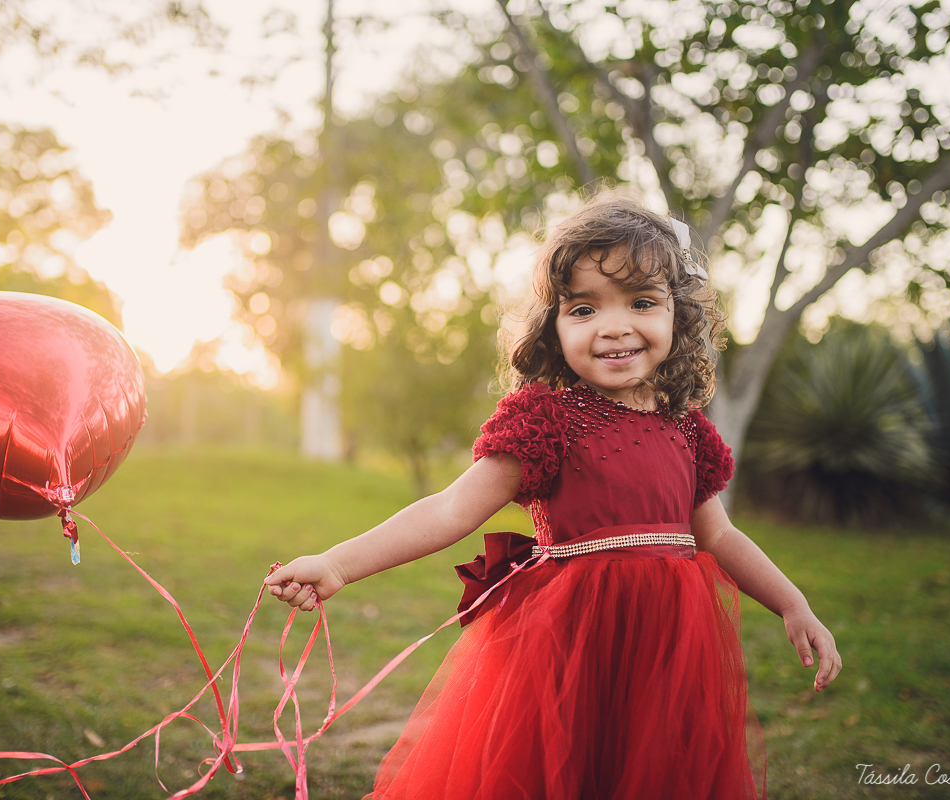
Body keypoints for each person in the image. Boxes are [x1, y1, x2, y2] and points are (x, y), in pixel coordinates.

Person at [265, 189, 841, 799]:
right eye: (584, 309)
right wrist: (336, 563)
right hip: (568, 652)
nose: (615, 327)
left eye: (642, 302)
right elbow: (451, 509)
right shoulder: (547, 420)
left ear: (679, 315)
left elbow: (718, 535)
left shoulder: (686, 426)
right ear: (552, 327)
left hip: (667, 656)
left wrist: (791, 602)